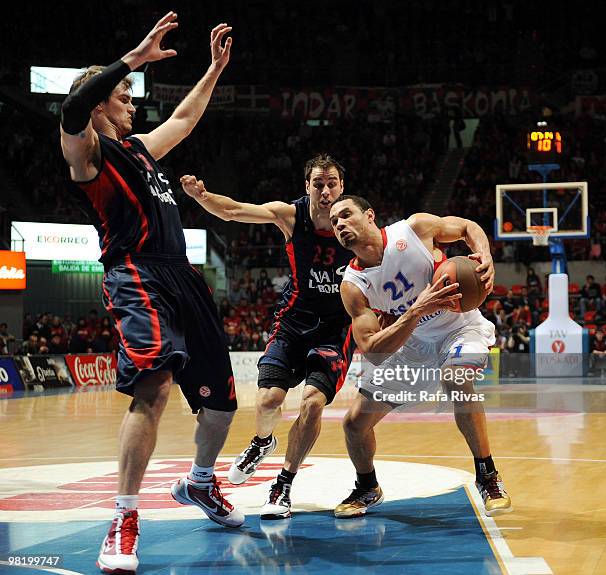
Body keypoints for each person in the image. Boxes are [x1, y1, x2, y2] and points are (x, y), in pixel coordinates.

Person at [60, 13, 242, 574]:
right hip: (135, 273)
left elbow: (185, 119)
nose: (132, 102)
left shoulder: (139, 149)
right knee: (154, 386)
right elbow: (68, 110)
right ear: (97, 105)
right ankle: (123, 516)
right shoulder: (87, 154)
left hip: (182, 276)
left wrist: (213, 70)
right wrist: (133, 58)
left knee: (221, 405)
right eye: (122, 95)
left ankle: (201, 482)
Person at [180, 153, 355, 519]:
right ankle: (263, 441)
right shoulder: (291, 215)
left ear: (342, 187)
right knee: (267, 401)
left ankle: (284, 484)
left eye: (332, 184)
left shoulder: (356, 223)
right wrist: (202, 197)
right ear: (306, 187)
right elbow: (234, 211)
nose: (325, 191)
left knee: (311, 403)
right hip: (292, 321)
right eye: (318, 184)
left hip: (336, 328)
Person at [328, 195, 512, 518]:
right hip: (413, 346)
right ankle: (367, 486)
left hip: (460, 329)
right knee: (354, 424)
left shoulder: (413, 229)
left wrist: (485, 256)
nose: (340, 224)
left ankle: (487, 476)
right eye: (333, 222)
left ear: (369, 215)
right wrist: (417, 310)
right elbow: (373, 351)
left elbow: (467, 227)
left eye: (345, 214)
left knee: (455, 377)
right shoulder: (352, 285)